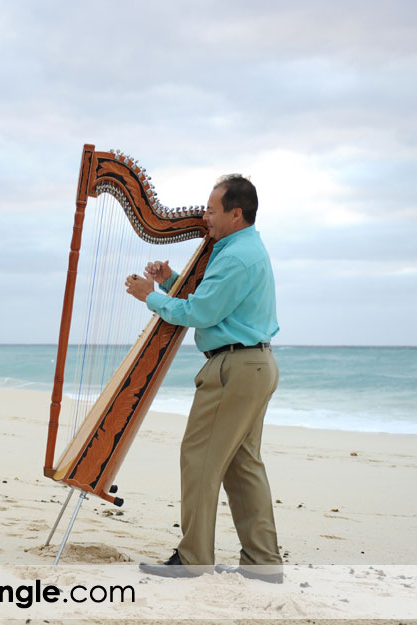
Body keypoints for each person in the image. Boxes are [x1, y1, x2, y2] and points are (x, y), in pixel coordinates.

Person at [125, 174, 282, 583]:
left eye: (211, 210)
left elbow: (200, 314)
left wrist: (151, 296)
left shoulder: (234, 256)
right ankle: (263, 563)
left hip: (235, 369)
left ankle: (194, 558)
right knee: (243, 466)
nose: (204, 217)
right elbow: (215, 303)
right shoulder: (241, 249)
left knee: (199, 460)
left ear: (236, 212)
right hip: (254, 365)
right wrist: (172, 281)